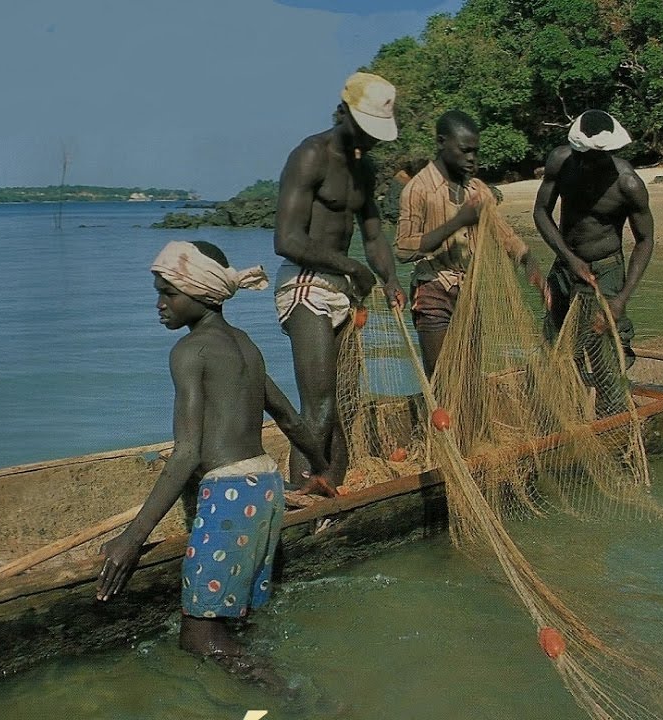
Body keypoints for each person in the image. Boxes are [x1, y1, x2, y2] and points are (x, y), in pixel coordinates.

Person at [96, 240, 330, 678]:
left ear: (201, 293)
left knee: (199, 637)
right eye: (158, 292)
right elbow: (291, 420)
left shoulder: (189, 352)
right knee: (239, 622)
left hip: (228, 495)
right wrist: (319, 469)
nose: (160, 304)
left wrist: (133, 538)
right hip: (265, 487)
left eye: (169, 293)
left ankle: (294, 697)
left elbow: (187, 453)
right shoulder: (245, 345)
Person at [272, 71, 406, 495]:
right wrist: (351, 267)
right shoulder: (310, 156)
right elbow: (286, 240)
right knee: (319, 406)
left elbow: (372, 235)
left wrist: (389, 278)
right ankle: (299, 496)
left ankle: (330, 493)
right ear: (344, 112)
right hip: (305, 287)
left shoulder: (365, 169)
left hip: (344, 291)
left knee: (345, 406)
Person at [394, 110, 544, 377]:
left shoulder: (476, 189)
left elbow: (505, 236)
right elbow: (404, 249)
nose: (471, 158)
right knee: (441, 377)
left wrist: (529, 263)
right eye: (464, 150)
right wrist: (458, 221)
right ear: (441, 143)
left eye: (474, 151)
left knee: (470, 377)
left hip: (468, 291)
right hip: (433, 291)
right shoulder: (418, 190)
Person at [532, 109, 655, 416]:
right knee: (556, 343)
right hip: (565, 266)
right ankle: (567, 413)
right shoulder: (561, 163)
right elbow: (541, 212)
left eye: (598, 156)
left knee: (601, 352)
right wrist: (569, 259)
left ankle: (612, 423)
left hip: (604, 271)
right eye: (584, 154)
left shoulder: (628, 184)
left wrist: (621, 299)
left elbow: (645, 241)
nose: (589, 162)